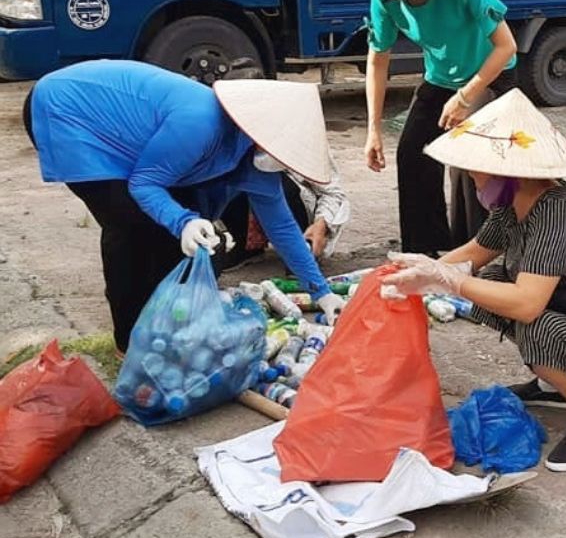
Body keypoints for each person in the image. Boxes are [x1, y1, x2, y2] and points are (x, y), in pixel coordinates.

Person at [383, 89, 566, 473]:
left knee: (534, 320)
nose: (471, 177)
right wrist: (419, 273)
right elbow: (476, 253)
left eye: (476, 169)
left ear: (507, 172)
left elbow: (527, 303)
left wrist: (448, 279)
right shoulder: (513, 202)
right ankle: (556, 384)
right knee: (490, 281)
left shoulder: (559, 212)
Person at [24, 59, 343, 354]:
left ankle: (165, 326)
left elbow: (284, 228)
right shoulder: (202, 122)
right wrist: (184, 221)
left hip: (128, 136)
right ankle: (130, 341)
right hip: (67, 110)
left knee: (167, 234)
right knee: (129, 224)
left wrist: (321, 292)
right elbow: (144, 184)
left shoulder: (257, 161)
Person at [335, 0, 519, 254]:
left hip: (491, 75)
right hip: (440, 78)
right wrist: (373, 129)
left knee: (468, 157)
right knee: (412, 152)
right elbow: (378, 59)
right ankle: (427, 251)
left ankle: (479, 254)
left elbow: (506, 46)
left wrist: (466, 97)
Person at [216, 60, 351, 266]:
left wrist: (321, 226)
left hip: (297, 213)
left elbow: (333, 193)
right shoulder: (222, 132)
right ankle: (246, 245)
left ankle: (302, 249)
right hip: (247, 210)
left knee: (274, 180)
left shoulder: (297, 132)